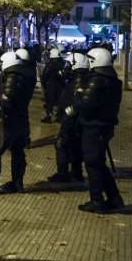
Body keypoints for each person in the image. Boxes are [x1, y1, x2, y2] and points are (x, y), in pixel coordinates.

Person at [66, 47, 124, 213]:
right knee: (99, 163)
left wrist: (78, 96)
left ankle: (97, 201)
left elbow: (86, 106)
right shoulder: (113, 80)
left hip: (94, 128)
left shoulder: (97, 81)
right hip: (104, 126)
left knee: (93, 164)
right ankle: (114, 198)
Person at [0, 51, 35, 195]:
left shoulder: (12, 77)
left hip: (9, 121)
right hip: (21, 120)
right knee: (17, 152)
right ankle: (17, 183)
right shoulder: (26, 75)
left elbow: (7, 100)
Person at [48, 52, 88, 183]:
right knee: (75, 146)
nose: (66, 67)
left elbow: (75, 103)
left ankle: (63, 174)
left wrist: (67, 119)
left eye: (69, 64)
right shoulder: (77, 78)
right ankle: (76, 173)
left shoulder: (78, 80)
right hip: (74, 120)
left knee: (62, 144)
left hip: (72, 120)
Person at [40, 48, 67, 124]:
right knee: (59, 101)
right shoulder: (63, 63)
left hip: (51, 85)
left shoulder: (50, 64)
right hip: (61, 84)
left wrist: (45, 84)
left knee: (49, 102)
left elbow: (44, 75)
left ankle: (49, 116)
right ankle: (59, 117)